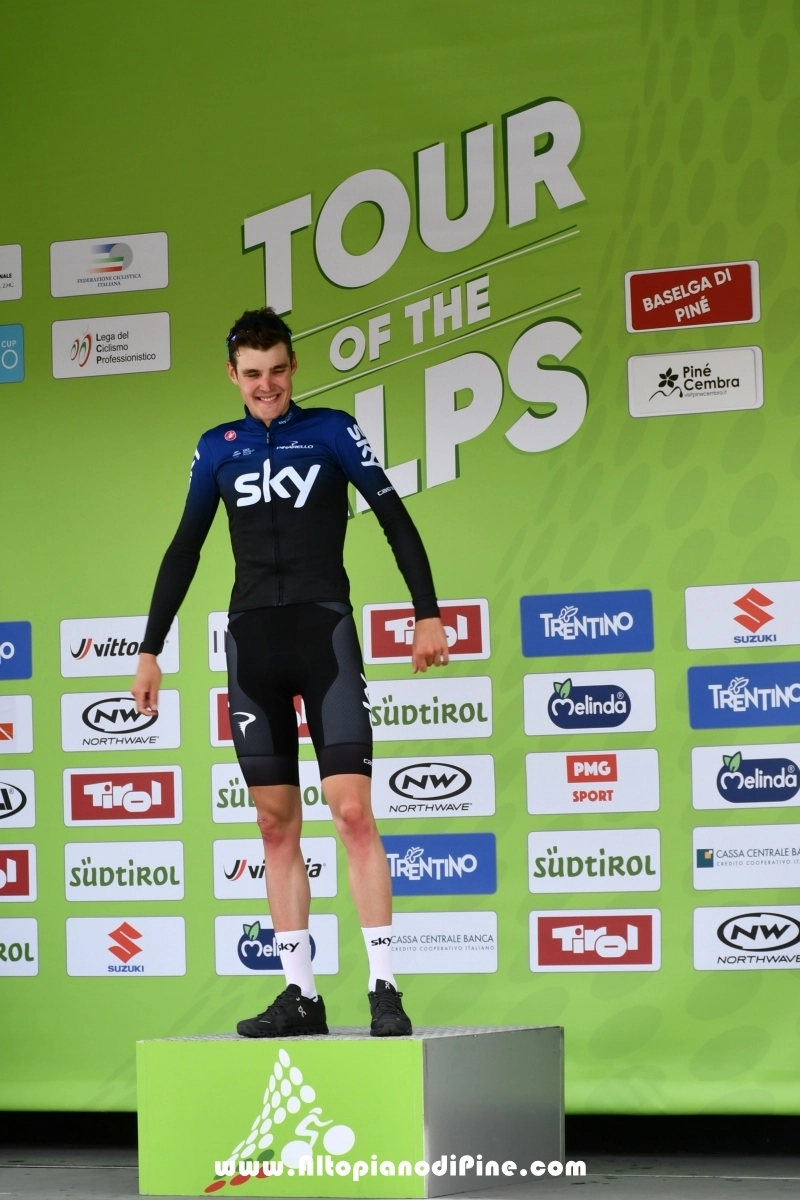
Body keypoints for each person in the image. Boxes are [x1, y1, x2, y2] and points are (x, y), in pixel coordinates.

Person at [132, 307, 449, 1038]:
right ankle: (301, 993)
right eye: (252, 374)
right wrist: (150, 649)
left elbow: (395, 517)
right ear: (232, 374)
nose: (266, 385)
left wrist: (426, 612)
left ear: (293, 366)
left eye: (277, 370)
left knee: (352, 811)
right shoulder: (216, 447)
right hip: (253, 644)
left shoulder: (332, 430)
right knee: (275, 824)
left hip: (322, 633)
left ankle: (383, 986)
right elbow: (185, 549)